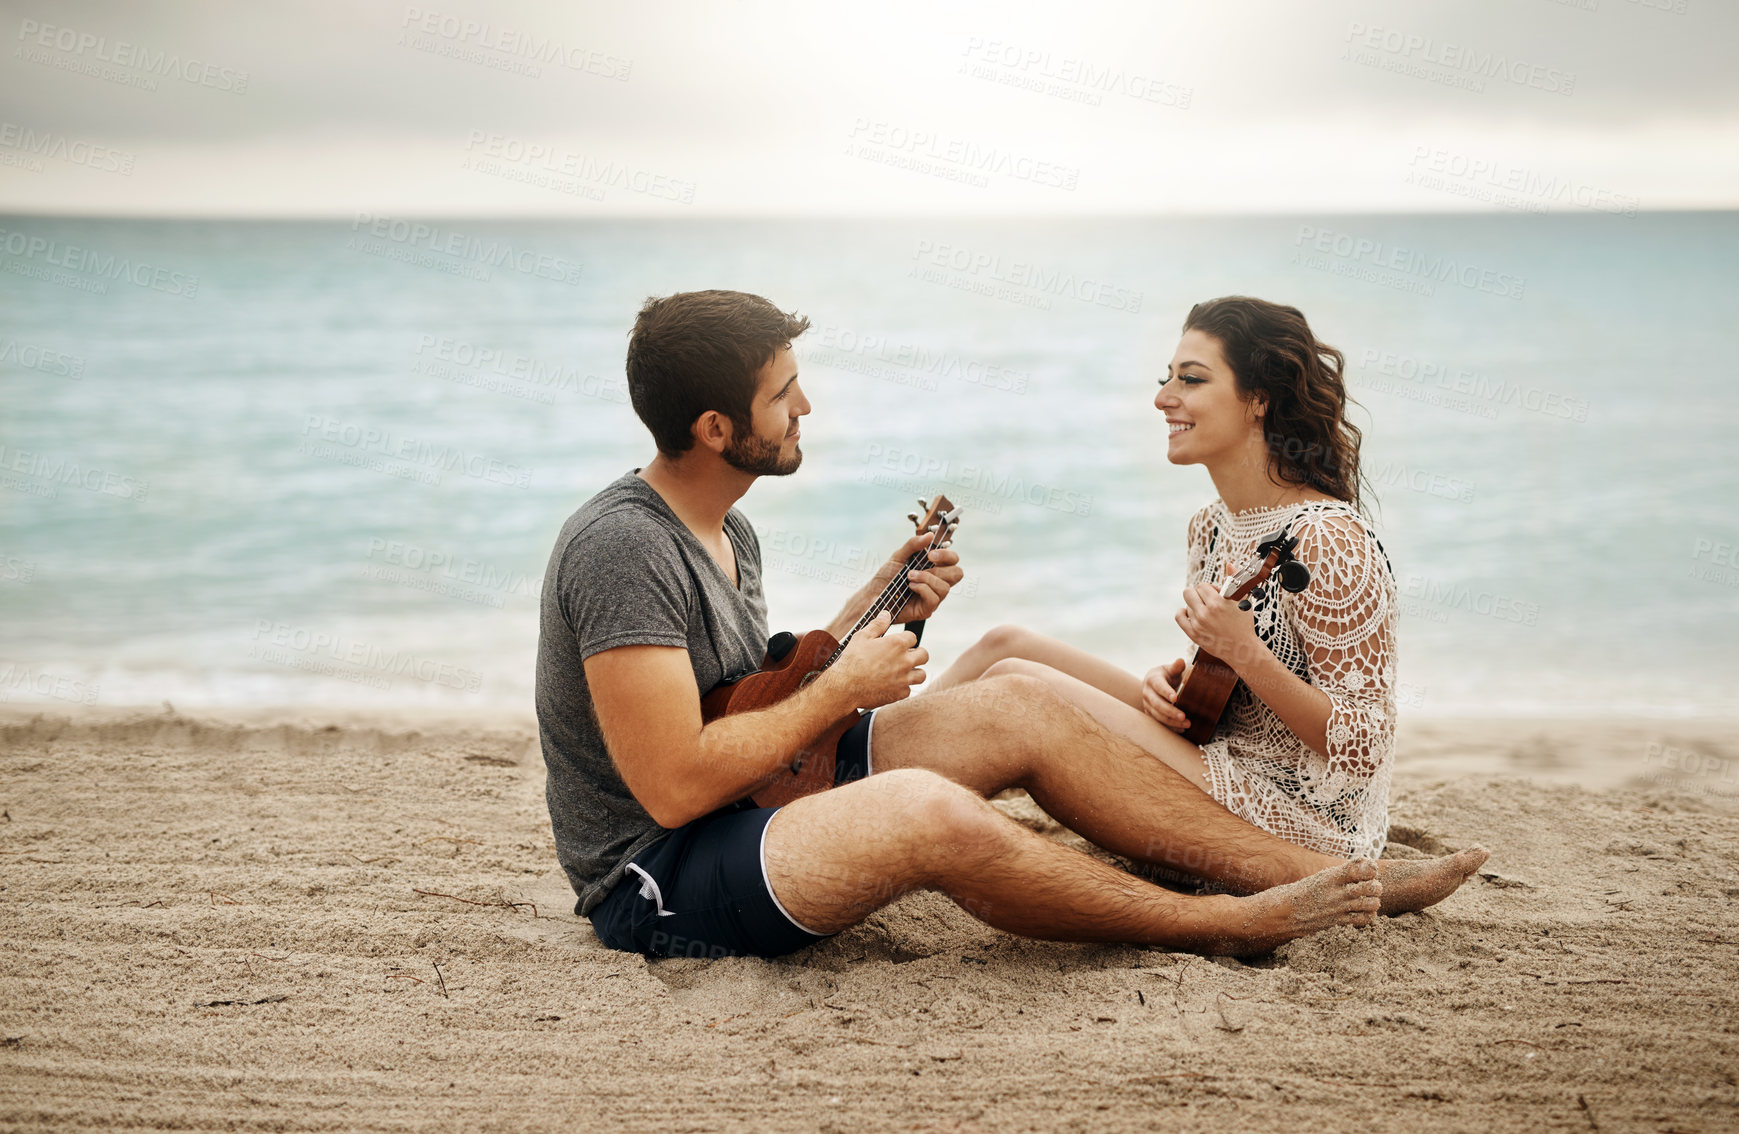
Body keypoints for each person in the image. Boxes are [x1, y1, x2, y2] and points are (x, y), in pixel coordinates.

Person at [534, 289, 1487, 963]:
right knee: (931, 814)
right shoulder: (625, 550)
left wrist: (874, 605)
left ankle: (1323, 870)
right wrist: (842, 689)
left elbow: (739, 699)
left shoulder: (724, 525)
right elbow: (670, 787)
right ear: (713, 427)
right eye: (783, 393)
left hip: (744, 803)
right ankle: (1229, 923)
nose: (806, 406)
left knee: (1017, 703)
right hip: (662, 870)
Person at [929, 296, 1400, 864]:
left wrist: (1245, 652)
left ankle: (880, 804)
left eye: (1192, 380)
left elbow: (1364, 746)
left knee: (1015, 679)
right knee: (1004, 644)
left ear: (1257, 400)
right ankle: (851, 764)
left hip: (1297, 815)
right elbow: (1219, 695)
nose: (1163, 398)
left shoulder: (1332, 539)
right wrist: (1168, 687)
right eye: (1167, 378)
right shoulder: (1210, 528)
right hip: (1216, 755)